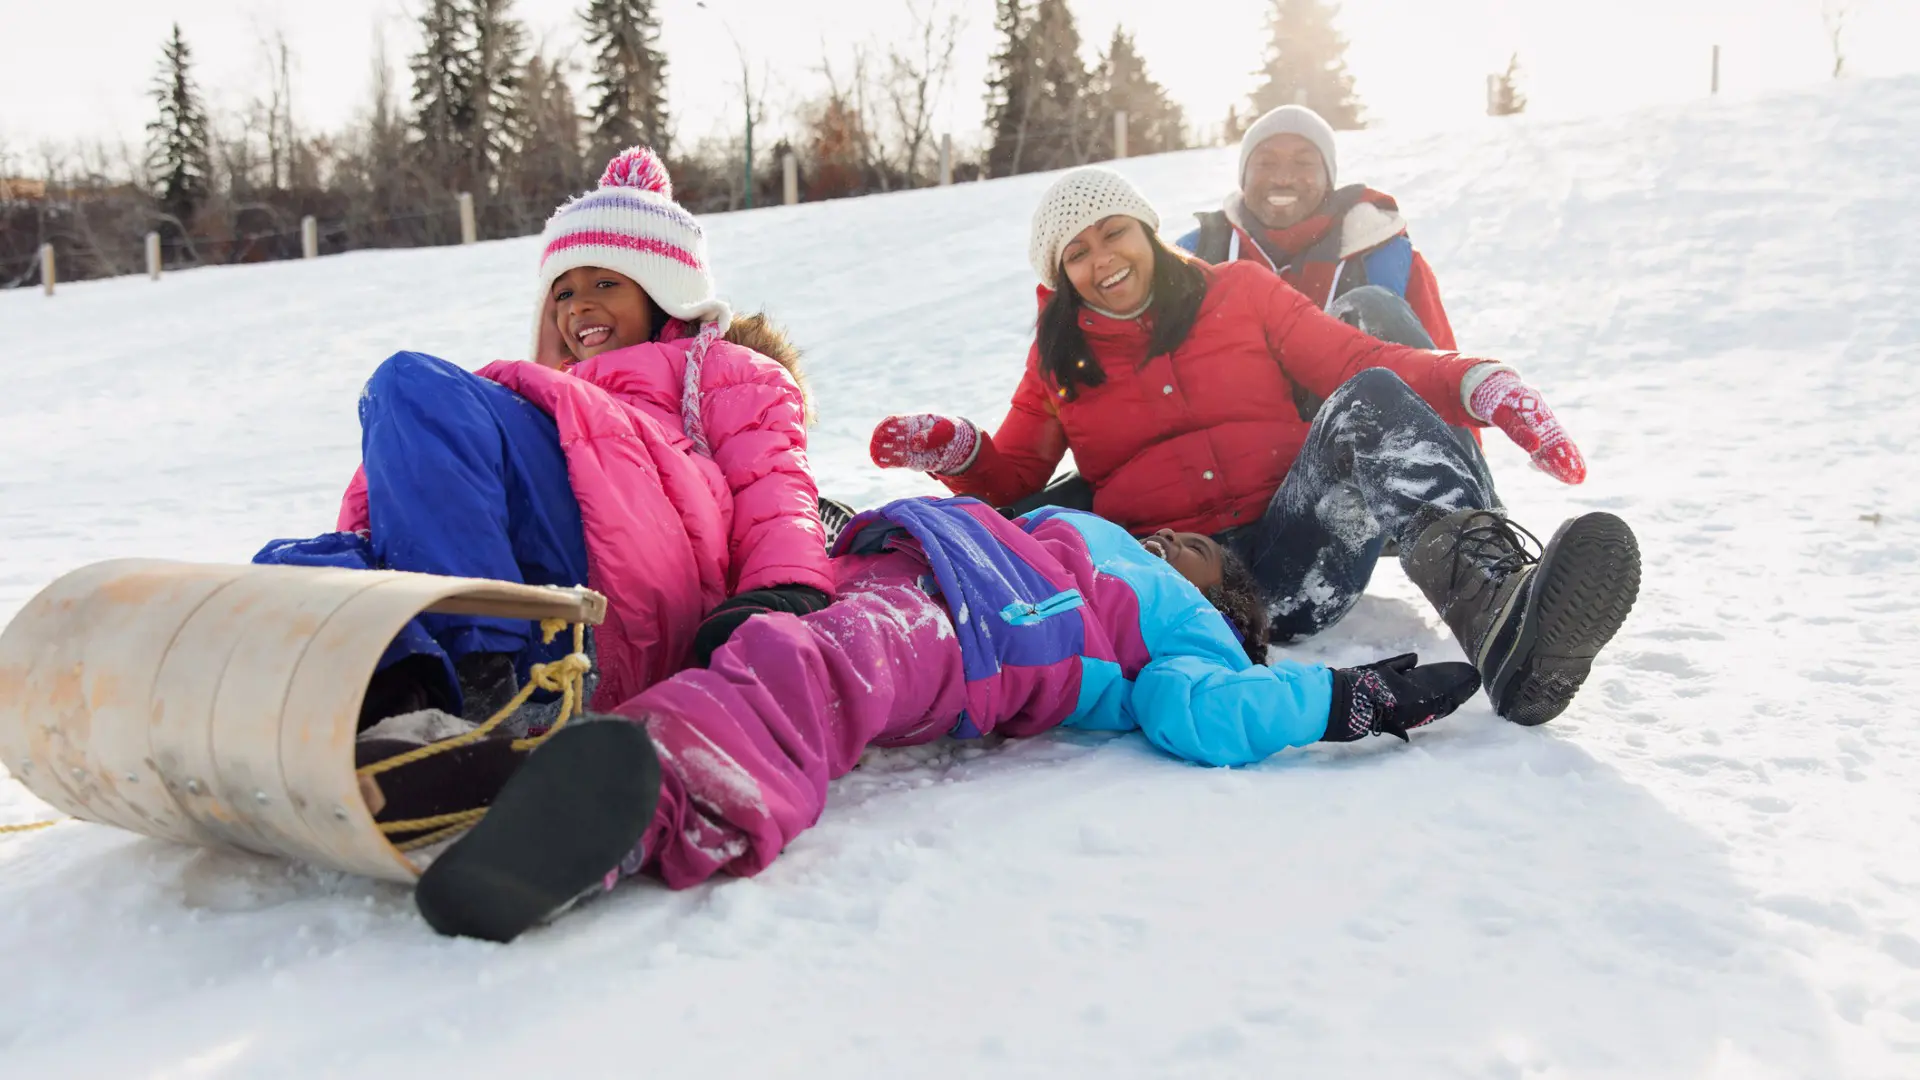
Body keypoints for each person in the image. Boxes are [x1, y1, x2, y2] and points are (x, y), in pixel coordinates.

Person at [369, 496, 1483, 942]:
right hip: (907, 569)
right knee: (776, 646)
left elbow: (1207, 711)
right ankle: (519, 779)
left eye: (1196, 550)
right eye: (1176, 541)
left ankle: (656, 808)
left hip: (1002, 626)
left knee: (826, 678)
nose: (1172, 540)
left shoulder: (1182, 620)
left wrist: (1345, 698)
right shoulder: (1075, 526)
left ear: (1224, 597)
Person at [867, 167, 1640, 731]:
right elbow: (1014, 480)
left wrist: (1475, 383)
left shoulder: (1239, 292)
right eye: (1076, 253)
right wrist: (957, 451)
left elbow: (1353, 363)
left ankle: (1506, 620)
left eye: (1113, 233)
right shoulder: (1058, 359)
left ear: (1145, 231)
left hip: (1299, 546)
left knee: (1366, 403)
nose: (1101, 259)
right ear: (1060, 276)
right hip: (1184, 589)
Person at [254, 147, 834, 726]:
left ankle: (481, 671)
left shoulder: (726, 371)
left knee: (409, 384)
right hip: (543, 596)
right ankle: (390, 696)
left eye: (606, 282)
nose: (579, 304)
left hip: (627, 598)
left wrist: (783, 592)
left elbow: (774, 489)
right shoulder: (544, 404)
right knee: (308, 571)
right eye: (562, 292)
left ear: (664, 293)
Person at [1174, 104, 1457, 353]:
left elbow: (1444, 373)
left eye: (1304, 162)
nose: (1283, 178)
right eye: (1265, 162)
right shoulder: (1196, 253)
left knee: (1374, 304)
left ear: (1328, 180)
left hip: (1352, 408)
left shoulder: (1384, 256)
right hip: (1230, 408)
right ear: (1243, 178)